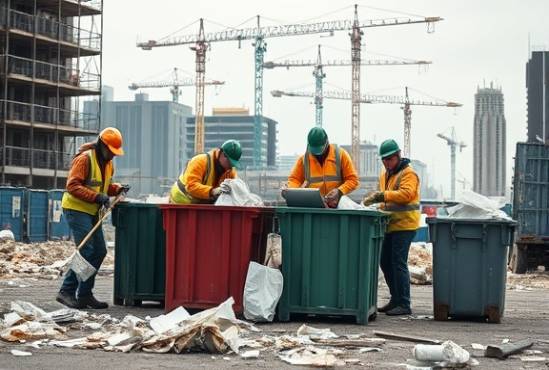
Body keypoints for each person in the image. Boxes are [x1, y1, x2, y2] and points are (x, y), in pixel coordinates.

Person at [58, 127, 129, 309]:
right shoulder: (84, 159)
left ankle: (84, 295)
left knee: (99, 251)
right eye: (110, 152)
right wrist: (97, 197)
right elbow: (72, 185)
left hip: (91, 212)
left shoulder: (108, 163)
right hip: (76, 209)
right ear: (102, 145)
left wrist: (117, 189)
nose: (112, 156)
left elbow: (104, 186)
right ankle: (66, 291)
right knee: (87, 250)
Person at [363, 139, 420, 316]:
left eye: (390, 159)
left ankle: (404, 303)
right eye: (384, 160)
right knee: (385, 262)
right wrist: (376, 206)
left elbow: (406, 194)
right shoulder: (385, 174)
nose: (387, 163)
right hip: (391, 225)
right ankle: (395, 299)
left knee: (398, 263)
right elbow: (388, 202)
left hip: (405, 225)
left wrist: (381, 196)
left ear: (398, 156)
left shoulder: (408, 174)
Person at [285, 127, 359, 208]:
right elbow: (294, 180)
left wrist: (340, 191)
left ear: (327, 142)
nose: (317, 154)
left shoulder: (341, 155)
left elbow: (353, 180)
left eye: (319, 150)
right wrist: (292, 190)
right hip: (314, 207)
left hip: (336, 206)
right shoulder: (304, 160)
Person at [169, 140, 242, 204]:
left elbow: (234, 190)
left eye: (232, 164)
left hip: (200, 206)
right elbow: (191, 186)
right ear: (222, 154)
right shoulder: (200, 161)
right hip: (180, 203)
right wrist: (212, 191)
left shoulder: (230, 171)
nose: (230, 166)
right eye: (229, 162)